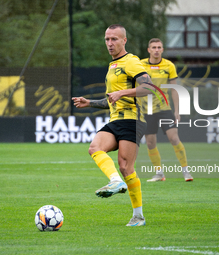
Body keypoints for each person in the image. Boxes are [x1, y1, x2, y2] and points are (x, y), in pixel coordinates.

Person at [72, 24, 154, 226]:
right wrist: (89, 103)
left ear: (124, 40)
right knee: (94, 148)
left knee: (126, 167)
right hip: (115, 119)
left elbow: (149, 87)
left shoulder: (131, 61)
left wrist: (122, 93)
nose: (110, 43)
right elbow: (111, 99)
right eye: (107, 39)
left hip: (132, 119)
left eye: (114, 39)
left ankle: (138, 216)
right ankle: (115, 181)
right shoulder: (112, 66)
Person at [141, 38, 193, 182]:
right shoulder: (140, 65)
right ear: (149, 50)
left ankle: (185, 171)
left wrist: (177, 110)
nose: (156, 50)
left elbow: (174, 89)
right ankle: (159, 174)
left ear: (162, 49)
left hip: (164, 108)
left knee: (174, 138)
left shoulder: (169, 65)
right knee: (150, 143)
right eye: (154, 47)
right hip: (147, 110)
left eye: (159, 47)